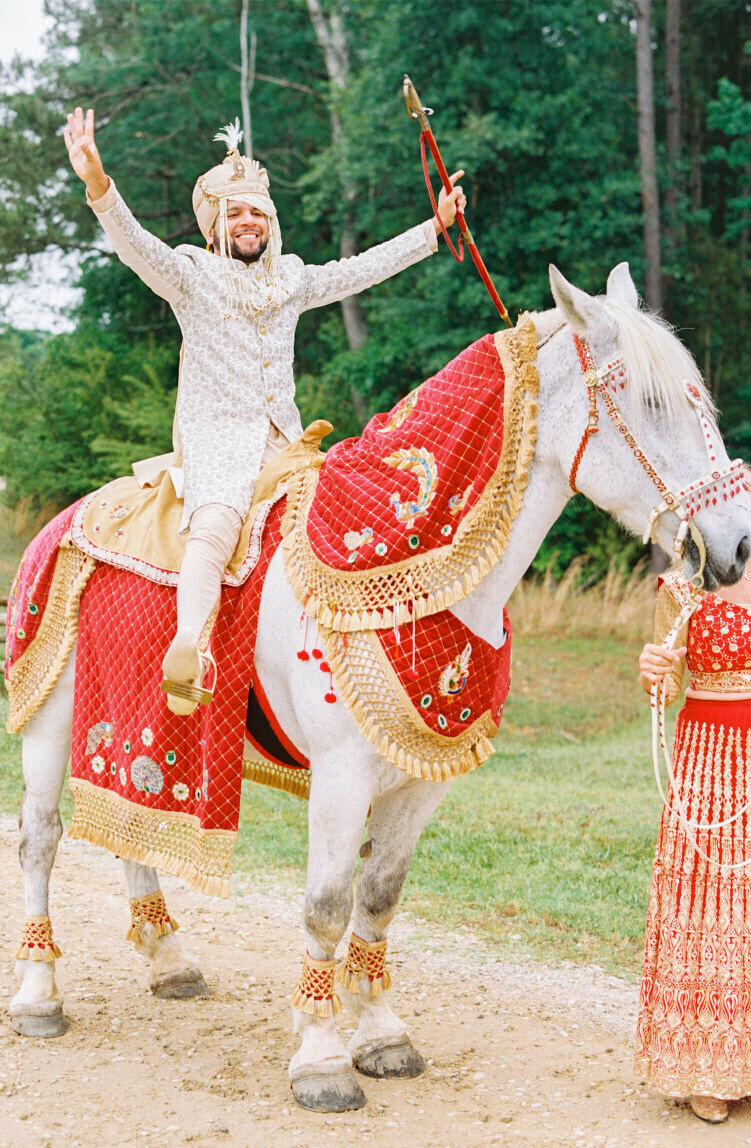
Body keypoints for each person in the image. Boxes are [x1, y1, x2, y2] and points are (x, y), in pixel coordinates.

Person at [62, 108, 467, 713]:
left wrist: (433, 230)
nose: (248, 221)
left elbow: (360, 271)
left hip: (288, 445)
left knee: (349, 507)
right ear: (214, 226)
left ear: (270, 223)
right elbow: (135, 246)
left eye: (257, 212)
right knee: (216, 524)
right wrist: (98, 182)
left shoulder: (293, 278)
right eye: (235, 213)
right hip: (219, 444)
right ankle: (190, 649)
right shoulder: (190, 274)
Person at [635, 466, 751, 1122]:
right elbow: (664, 689)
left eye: (749, 500)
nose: (740, 511)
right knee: (716, 911)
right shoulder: (682, 588)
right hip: (709, 759)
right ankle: (708, 1069)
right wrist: (654, 673)